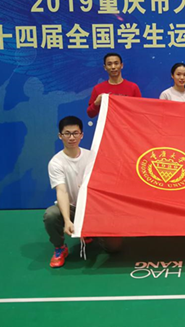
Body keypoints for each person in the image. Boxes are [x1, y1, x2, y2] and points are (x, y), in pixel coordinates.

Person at [43, 116, 122, 268]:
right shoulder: (56, 162)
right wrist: (67, 220)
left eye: (75, 133)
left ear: (82, 135)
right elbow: (62, 191)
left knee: (115, 247)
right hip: (72, 208)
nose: (72, 137)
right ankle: (60, 247)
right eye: (67, 133)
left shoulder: (92, 157)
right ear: (60, 136)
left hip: (94, 209)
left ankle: (89, 233)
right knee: (51, 215)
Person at [87, 52, 141, 118]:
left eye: (116, 63)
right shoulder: (98, 88)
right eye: (109, 64)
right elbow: (90, 114)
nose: (113, 67)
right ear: (105, 67)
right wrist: (97, 103)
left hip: (128, 124)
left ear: (121, 65)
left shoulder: (133, 87)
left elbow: (140, 111)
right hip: (108, 124)